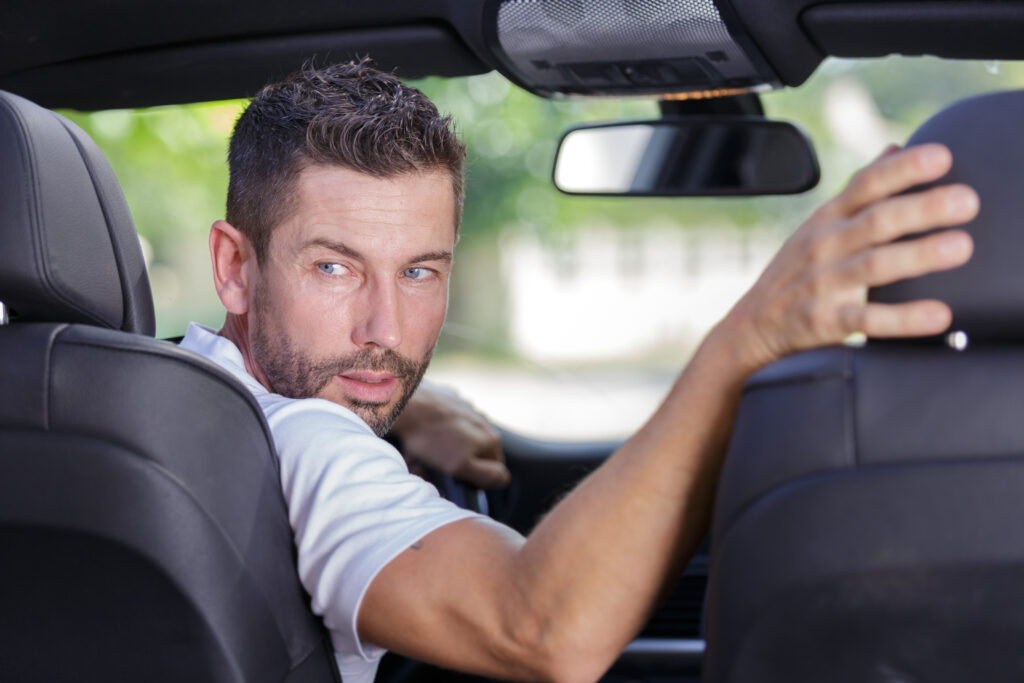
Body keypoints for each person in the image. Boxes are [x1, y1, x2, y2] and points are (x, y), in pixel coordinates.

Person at [179, 60, 977, 683]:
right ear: (234, 265)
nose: (383, 332)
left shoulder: (134, 394)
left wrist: (402, 406)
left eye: (419, 272)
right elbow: (542, 628)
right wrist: (749, 338)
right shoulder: (308, 443)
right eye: (334, 268)